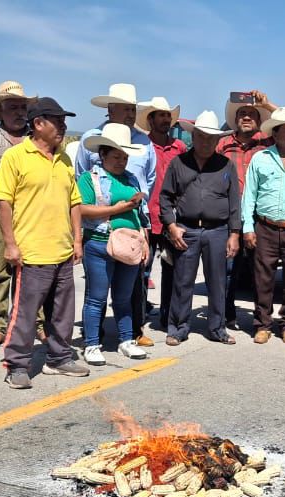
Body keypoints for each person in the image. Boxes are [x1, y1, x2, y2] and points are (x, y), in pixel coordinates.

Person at [0, 97, 89, 388]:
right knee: (24, 314)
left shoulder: (63, 159)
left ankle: (59, 358)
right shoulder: (15, 157)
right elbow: (4, 203)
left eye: (64, 121)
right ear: (38, 124)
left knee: (62, 313)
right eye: (57, 120)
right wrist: (10, 245)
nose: (63, 126)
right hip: (32, 252)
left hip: (62, 251)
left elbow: (74, 201)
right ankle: (17, 364)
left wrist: (77, 239)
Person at [77, 83, 158, 346]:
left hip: (132, 230)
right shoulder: (91, 142)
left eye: (134, 109)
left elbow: (150, 179)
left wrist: (142, 229)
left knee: (129, 290)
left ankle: (131, 334)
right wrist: (113, 209)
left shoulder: (143, 142)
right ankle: (93, 338)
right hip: (100, 232)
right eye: (126, 109)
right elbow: (80, 186)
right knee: (97, 292)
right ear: (111, 109)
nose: (132, 114)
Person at [161, 111, 241, 345]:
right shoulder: (178, 163)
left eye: (210, 138)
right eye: (201, 136)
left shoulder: (226, 165)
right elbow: (166, 198)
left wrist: (234, 233)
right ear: (193, 136)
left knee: (217, 282)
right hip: (186, 229)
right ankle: (178, 328)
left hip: (218, 230)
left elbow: (234, 201)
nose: (206, 141)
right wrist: (171, 226)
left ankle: (217, 328)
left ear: (217, 140)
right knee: (182, 281)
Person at [0, 81, 40, 350]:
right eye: (13, 107)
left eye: (22, 107)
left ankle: (36, 322)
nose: (19, 112)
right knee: (1, 271)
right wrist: (31, 149)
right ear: (0, 111)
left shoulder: (33, 135)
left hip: (31, 211)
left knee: (34, 270)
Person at [242, 107, 285, 345]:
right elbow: (249, 195)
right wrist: (247, 227)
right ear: (276, 133)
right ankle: (262, 324)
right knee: (263, 278)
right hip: (265, 227)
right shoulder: (260, 158)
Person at [218, 90, 278, 332]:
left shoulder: (268, 142)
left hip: (258, 217)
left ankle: (261, 320)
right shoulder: (222, 145)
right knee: (228, 270)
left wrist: (267, 104)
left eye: (251, 114)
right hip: (228, 215)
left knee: (260, 271)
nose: (246, 118)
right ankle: (226, 315)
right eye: (242, 113)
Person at [137, 97, 186, 334]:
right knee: (141, 270)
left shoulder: (179, 148)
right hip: (147, 217)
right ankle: (138, 320)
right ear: (150, 120)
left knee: (172, 271)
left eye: (168, 116)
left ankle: (167, 318)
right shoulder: (141, 147)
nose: (166, 120)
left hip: (172, 219)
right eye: (161, 115)